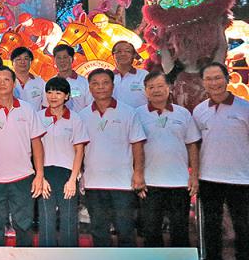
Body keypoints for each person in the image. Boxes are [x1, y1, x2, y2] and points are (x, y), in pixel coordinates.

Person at [0, 66, 48, 247]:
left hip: (23, 177)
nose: (2, 83)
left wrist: (39, 174)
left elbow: (36, 143)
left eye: (6, 79)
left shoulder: (27, 109)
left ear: (14, 83)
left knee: (24, 224)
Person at [193, 62, 249, 260]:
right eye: (209, 79)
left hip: (241, 179)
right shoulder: (199, 111)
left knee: (244, 227)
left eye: (218, 78)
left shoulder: (244, 108)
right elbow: (195, 145)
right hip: (209, 178)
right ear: (203, 82)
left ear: (227, 78)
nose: (214, 83)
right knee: (211, 227)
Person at [79, 68, 147, 247]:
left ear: (112, 85)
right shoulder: (83, 116)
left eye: (105, 83)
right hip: (94, 182)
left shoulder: (128, 112)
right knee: (98, 230)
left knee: (125, 229)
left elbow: (137, 145)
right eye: (95, 84)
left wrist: (138, 173)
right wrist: (80, 175)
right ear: (89, 88)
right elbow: (79, 149)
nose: (100, 87)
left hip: (122, 183)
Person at [135, 71, 200, 248]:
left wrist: (194, 175)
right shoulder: (137, 114)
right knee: (151, 232)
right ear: (145, 91)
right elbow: (134, 147)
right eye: (151, 87)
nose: (156, 90)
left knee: (180, 231)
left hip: (179, 182)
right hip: (149, 184)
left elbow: (192, 145)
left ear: (169, 87)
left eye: (160, 86)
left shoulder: (183, 114)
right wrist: (137, 176)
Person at [38, 77, 88, 247]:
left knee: (68, 220)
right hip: (44, 175)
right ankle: (46, 258)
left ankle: (69, 258)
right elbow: (34, 149)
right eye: (49, 92)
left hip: (68, 175)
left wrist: (73, 180)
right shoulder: (38, 117)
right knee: (46, 219)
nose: (53, 96)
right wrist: (40, 177)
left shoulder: (75, 119)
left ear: (67, 96)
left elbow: (79, 150)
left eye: (58, 93)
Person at [52, 44, 92, 112]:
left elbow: (90, 107)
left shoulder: (84, 83)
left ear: (72, 59)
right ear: (54, 60)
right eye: (59, 58)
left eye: (65, 57)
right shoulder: (50, 83)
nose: (62, 61)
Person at [112, 41, 148, 108]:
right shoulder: (107, 77)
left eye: (127, 51)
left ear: (134, 55)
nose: (123, 54)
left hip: (139, 114)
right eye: (119, 51)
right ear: (113, 56)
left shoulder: (144, 75)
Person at [11, 46, 45, 111]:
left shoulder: (40, 82)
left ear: (31, 61)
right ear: (12, 62)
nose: (22, 62)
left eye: (26, 59)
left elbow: (46, 106)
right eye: (19, 59)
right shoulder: (6, 82)